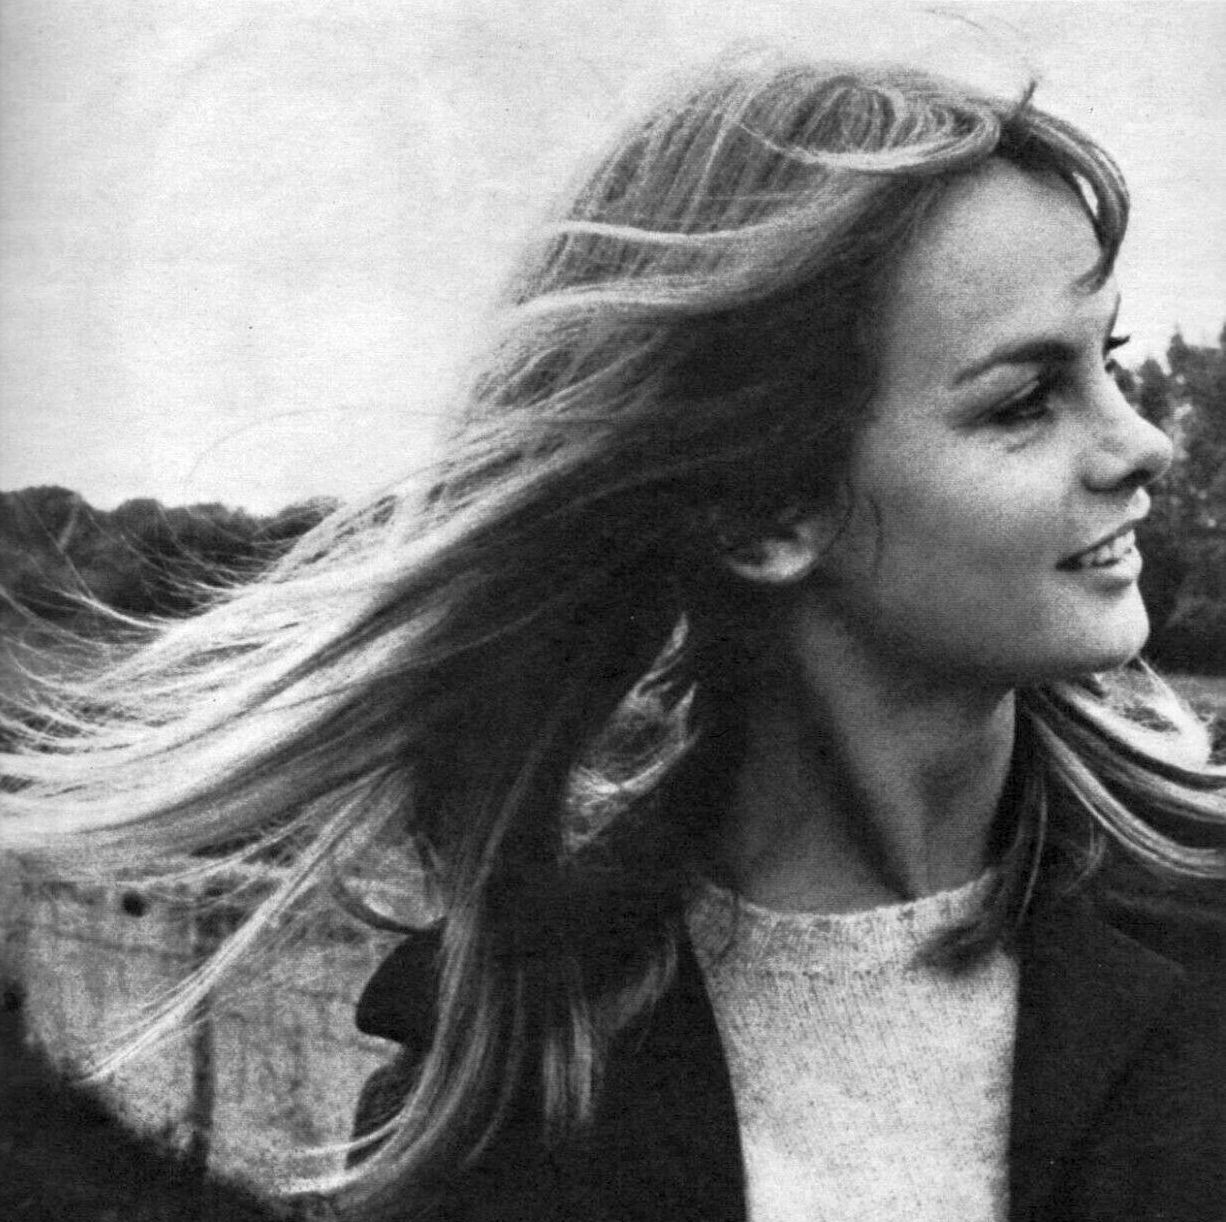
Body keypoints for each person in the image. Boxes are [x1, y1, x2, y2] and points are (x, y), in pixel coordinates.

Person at [2, 47, 1224, 1222]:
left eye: (1107, 360)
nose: (1142, 442)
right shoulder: (508, 1094)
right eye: (1024, 400)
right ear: (759, 512)